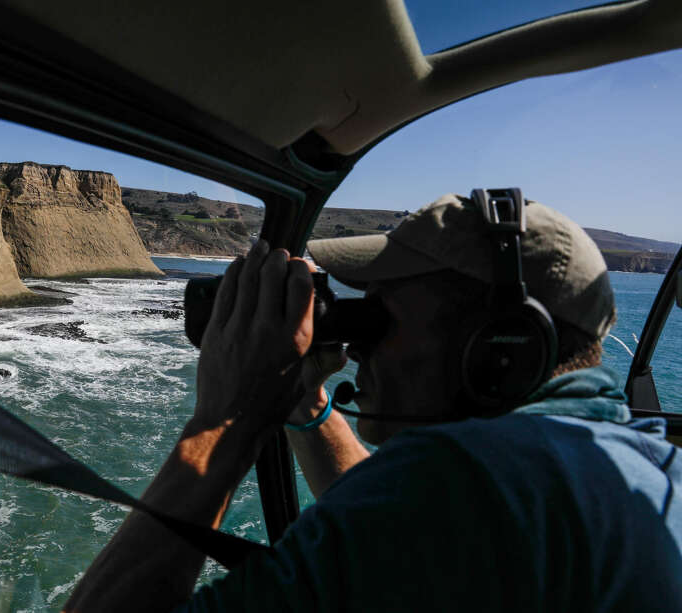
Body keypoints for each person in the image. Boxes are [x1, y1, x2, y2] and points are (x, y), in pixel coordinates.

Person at [64, 194, 682, 612]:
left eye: (379, 316)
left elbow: (430, 507)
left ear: (501, 348)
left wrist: (226, 420)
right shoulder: (636, 464)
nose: (359, 349)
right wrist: (304, 404)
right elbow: (411, 525)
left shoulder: (462, 490)